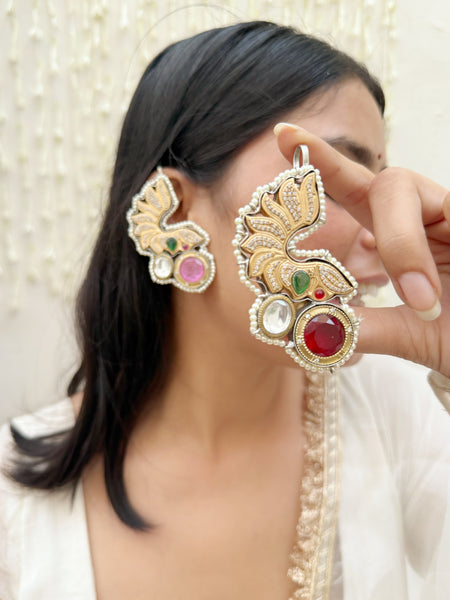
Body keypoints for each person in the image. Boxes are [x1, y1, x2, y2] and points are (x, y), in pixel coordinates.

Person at [1, 20, 449, 600]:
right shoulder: (14, 508)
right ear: (174, 213)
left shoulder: (409, 420)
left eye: (376, 190)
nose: (384, 231)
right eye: (330, 184)